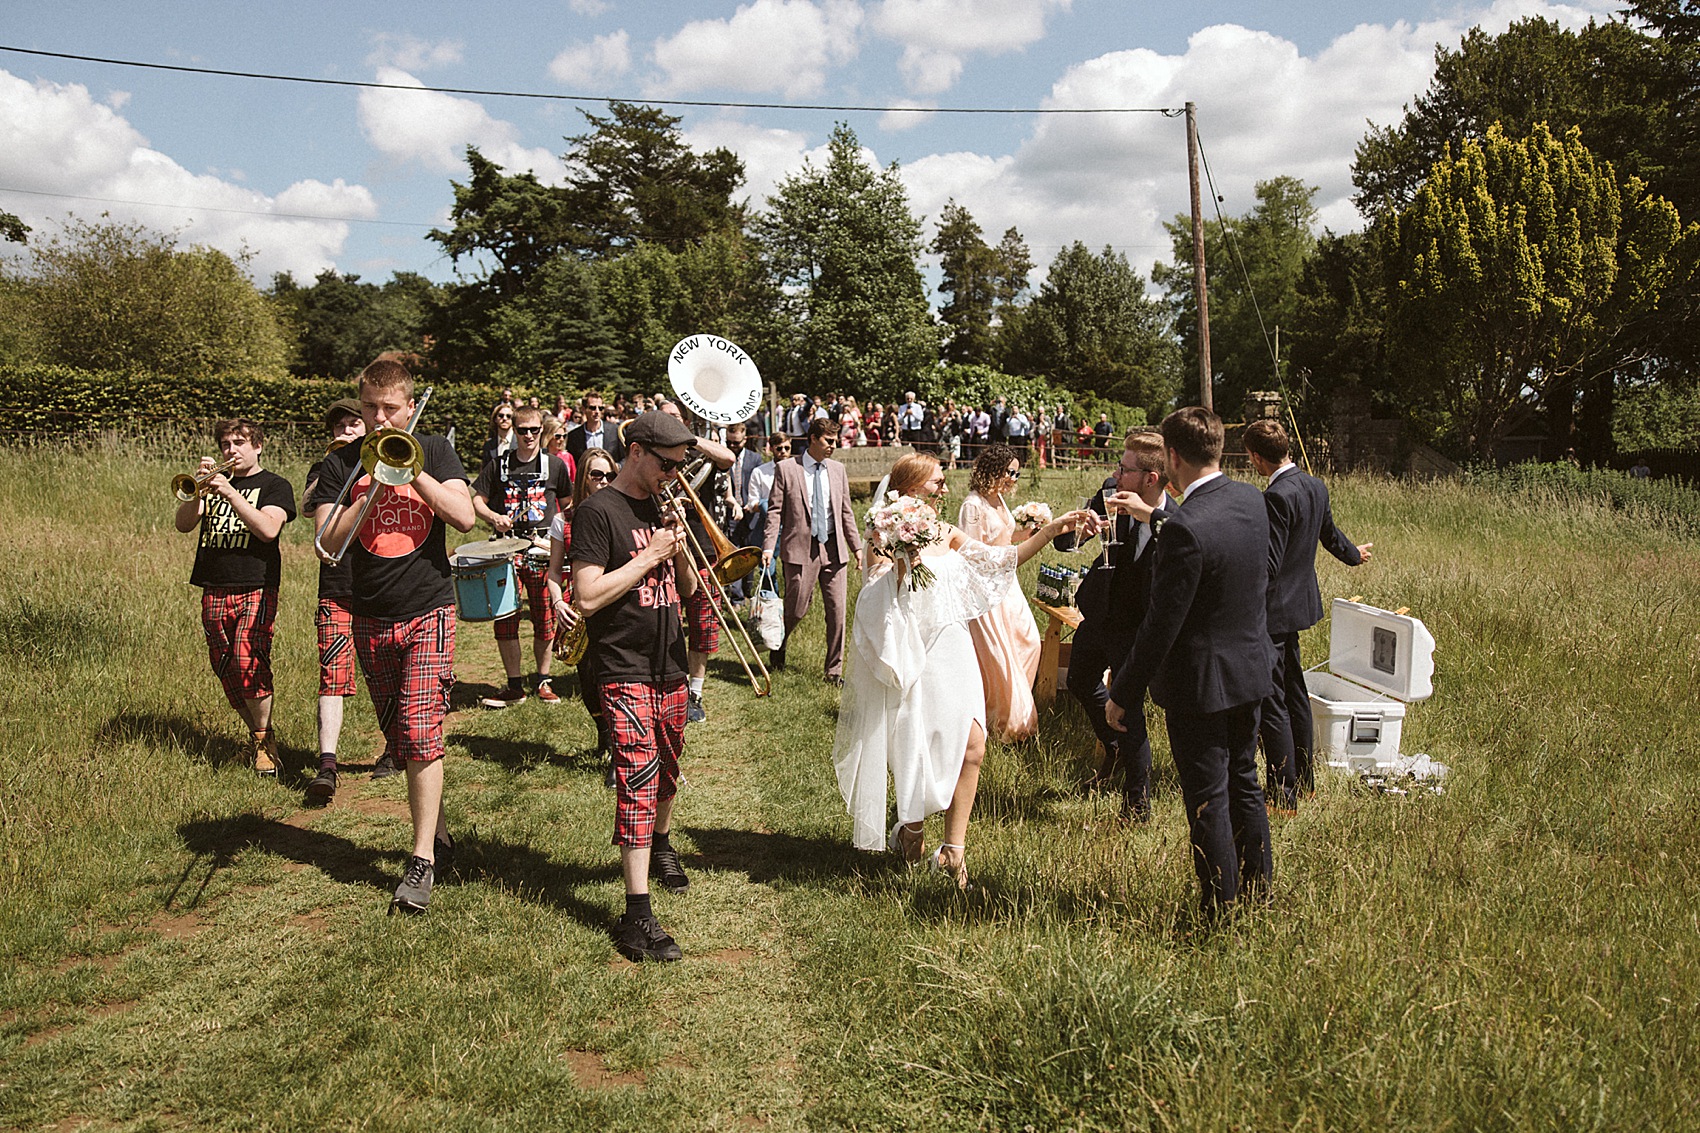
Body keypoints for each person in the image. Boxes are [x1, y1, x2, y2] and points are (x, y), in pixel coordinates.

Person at [833, 453, 1090, 888]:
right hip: (918, 653)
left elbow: (1001, 559)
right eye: (936, 482)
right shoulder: (883, 534)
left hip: (956, 648)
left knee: (974, 744)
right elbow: (872, 593)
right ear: (912, 488)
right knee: (918, 746)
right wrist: (900, 564)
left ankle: (954, 852)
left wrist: (1049, 531)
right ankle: (910, 828)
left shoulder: (948, 532)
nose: (945, 488)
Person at [310, 358, 476, 915]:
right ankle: (443, 836)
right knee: (403, 738)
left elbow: (463, 517)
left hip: (428, 607)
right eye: (368, 409)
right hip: (369, 616)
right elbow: (326, 544)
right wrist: (366, 490)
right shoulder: (339, 464)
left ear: (408, 407)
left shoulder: (434, 448)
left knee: (419, 728)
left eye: (389, 410)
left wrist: (411, 474)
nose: (379, 420)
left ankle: (421, 860)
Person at [1106, 407, 1273, 917]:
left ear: (1172, 457)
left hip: (1200, 684)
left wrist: (1123, 693)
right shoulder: (1250, 499)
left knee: (1208, 797)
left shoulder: (1185, 529)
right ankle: (1259, 890)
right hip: (1251, 668)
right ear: (1220, 448)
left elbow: (1161, 625)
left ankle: (1219, 910)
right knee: (1245, 781)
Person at [570, 411, 703, 962]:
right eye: (669, 464)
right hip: (622, 663)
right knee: (637, 776)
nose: (675, 474)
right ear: (639, 451)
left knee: (667, 769)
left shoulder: (663, 505)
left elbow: (690, 588)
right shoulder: (598, 512)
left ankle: (662, 843)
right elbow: (587, 595)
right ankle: (637, 914)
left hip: (669, 662)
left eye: (681, 466)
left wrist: (681, 550)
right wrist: (649, 555)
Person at [1243, 419, 1372, 810]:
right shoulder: (1314, 485)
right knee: (1295, 693)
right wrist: (1355, 556)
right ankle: (1306, 780)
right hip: (1299, 605)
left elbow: (1269, 563)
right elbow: (1329, 534)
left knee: (1273, 701)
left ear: (1256, 457)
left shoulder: (1277, 496)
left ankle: (1283, 791)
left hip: (1273, 611)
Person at [174, 418, 297, 776]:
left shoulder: (275, 485)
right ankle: (261, 737)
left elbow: (268, 529)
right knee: (225, 666)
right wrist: (199, 489)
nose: (231, 450)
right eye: (226, 443)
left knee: (249, 660)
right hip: (214, 584)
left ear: (258, 446)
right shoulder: (212, 487)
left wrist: (230, 492)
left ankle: (262, 744)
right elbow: (183, 524)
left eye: (240, 442)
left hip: (255, 583)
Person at [1065, 430, 1172, 821]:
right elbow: (1066, 544)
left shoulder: (1174, 519)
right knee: (1078, 679)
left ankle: (1136, 802)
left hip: (1136, 627)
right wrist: (1080, 528)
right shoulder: (1111, 491)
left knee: (1128, 708)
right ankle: (1112, 746)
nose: (1116, 475)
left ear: (1151, 478)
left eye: (1125, 469)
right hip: (1098, 613)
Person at [471, 405, 575, 709]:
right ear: (513, 432)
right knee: (506, 619)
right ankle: (514, 684)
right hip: (507, 550)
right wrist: (493, 517)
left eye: (534, 430)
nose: (529, 435)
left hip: (542, 551)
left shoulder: (555, 466)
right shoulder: (498, 465)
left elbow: (568, 504)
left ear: (542, 431)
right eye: (522, 430)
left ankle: (543, 679)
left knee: (545, 619)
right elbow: (476, 499)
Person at [761, 418, 862, 683]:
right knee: (795, 609)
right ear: (813, 439)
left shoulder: (838, 470)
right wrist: (768, 547)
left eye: (836, 440)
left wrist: (858, 549)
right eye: (829, 441)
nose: (834, 446)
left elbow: (846, 513)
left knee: (838, 612)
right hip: (799, 549)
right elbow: (774, 513)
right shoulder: (787, 469)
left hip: (833, 548)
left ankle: (833, 671)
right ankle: (778, 645)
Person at [956, 444, 1044, 742]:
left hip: (1009, 583)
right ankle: (1002, 721)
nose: (1014, 478)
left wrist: (1029, 534)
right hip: (986, 588)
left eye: (1017, 473)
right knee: (998, 653)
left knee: (1029, 640)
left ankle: (1016, 706)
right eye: (1010, 472)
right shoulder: (973, 505)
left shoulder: (1000, 501)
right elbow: (970, 551)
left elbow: (1005, 539)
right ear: (993, 469)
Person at [303, 398, 368, 801]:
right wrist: (335, 462)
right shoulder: (325, 467)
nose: (346, 429)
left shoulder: (387, 460)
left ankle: (394, 751)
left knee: (386, 673)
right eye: (339, 425)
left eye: (353, 423)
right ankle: (328, 762)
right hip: (337, 584)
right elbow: (311, 506)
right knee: (332, 670)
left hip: (381, 584)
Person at [658, 399, 738, 723]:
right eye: (666, 420)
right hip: (664, 547)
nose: (672, 424)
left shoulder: (698, 450)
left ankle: (695, 692)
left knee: (704, 624)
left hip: (703, 546)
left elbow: (728, 457)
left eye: (677, 419)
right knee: (667, 621)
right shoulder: (650, 455)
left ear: (687, 422)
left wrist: (690, 441)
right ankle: (668, 685)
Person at [546, 447, 620, 770]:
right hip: (579, 610)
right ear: (583, 480)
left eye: (609, 475)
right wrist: (558, 601)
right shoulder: (563, 520)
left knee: (613, 680)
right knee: (588, 684)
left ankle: (620, 748)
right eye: (596, 475)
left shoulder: (621, 512)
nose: (603, 481)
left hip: (615, 608)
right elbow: (552, 572)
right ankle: (604, 734)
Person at [564, 391, 626, 465]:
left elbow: (626, 457)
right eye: (592, 408)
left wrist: (617, 467)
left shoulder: (615, 431)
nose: (597, 411)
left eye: (600, 408)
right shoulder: (574, 436)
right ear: (584, 409)